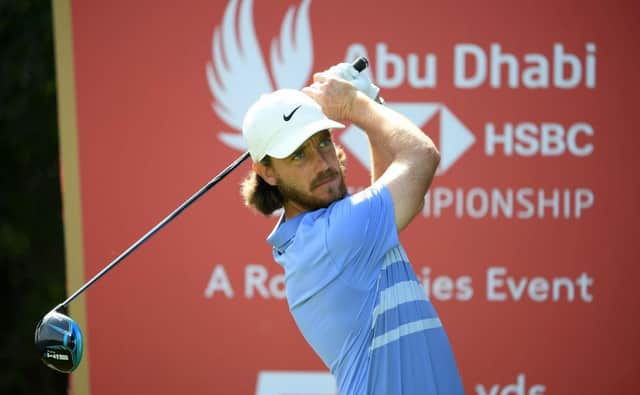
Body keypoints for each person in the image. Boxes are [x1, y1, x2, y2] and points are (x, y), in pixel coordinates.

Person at [240, 62, 464, 395]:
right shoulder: (332, 237)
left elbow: (406, 202)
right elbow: (421, 156)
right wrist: (356, 104)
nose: (322, 162)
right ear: (267, 172)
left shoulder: (319, 234)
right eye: (298, 155)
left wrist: (368, 103)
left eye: (323, 142)